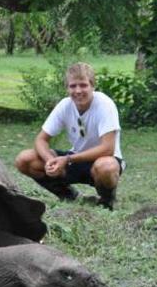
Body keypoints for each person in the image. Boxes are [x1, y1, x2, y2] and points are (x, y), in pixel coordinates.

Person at [14, 62, 125, 210]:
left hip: (102, 160)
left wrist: (66, 159)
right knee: (24, 159)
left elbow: (108, 148)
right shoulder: (65, 105)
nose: (78, 91)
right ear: (67, 88)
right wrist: (50, 161)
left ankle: (106, 201)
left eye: (83, 85)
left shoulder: (105, 104)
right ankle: (69, 196)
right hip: (75, 158)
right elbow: (41, 139)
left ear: (93, 86)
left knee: (106, 167)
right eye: (73, 86)